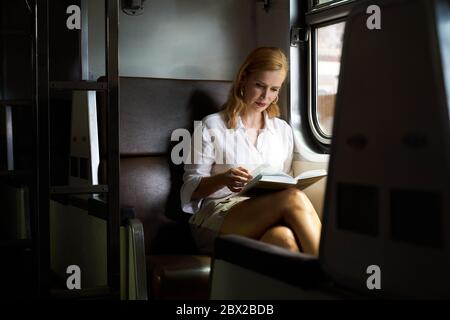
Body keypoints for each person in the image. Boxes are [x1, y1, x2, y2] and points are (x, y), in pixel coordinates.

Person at [180, 47, 322, 256]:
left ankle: (312, 286)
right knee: (293, 198)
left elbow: (284, 180)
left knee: (284, 239)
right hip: (215, 217)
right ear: (243, 79)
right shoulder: (211, 125)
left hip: (263, 212)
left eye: (274, 89)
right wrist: (224, 179)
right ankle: (335, 281)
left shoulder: (282, 130)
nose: (266, 96)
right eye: (259, 85)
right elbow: (189, 189)